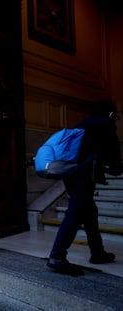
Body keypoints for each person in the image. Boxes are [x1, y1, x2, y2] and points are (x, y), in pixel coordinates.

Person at [47, 100, 123, 276]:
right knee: (76, 212)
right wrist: (115, 168)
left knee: (89, 211)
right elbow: (114, 161)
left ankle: (98, 253)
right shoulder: (106, 125)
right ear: (110, 114)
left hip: (70, 172)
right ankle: (57, 256)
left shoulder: (83, 125)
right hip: (83, 174)